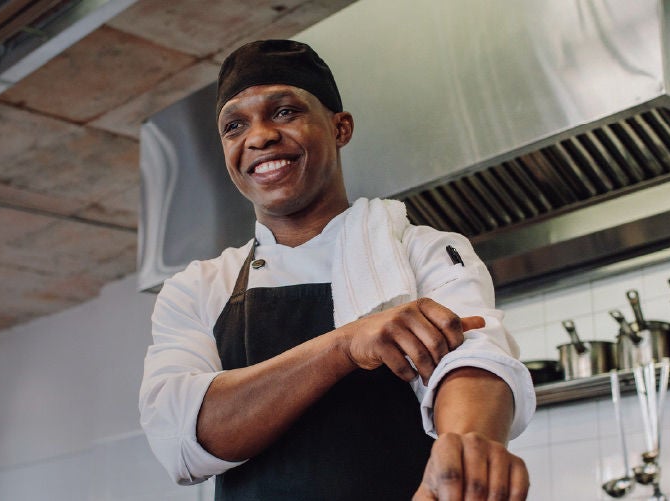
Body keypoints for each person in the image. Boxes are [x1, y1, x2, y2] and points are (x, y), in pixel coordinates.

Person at [139, 40, 536, 500]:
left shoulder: (423, 251)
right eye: (234, 126)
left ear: (340, 126)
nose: (259, 136)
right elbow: (182, 437)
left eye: (284, 112)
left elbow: (474, 358)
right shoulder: (198, 288)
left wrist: (466, 448)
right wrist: (346, 345)